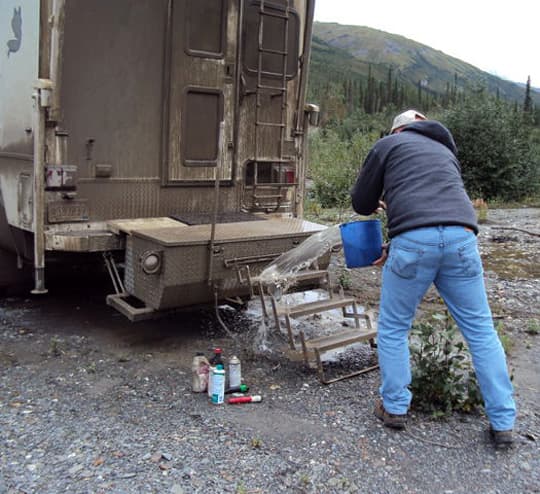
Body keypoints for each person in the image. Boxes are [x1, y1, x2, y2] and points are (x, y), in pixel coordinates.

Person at [351, 109, 516, 448]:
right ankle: (503, 422)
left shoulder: (389, 145)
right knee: (482, 331)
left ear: (398, 130)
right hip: (462, 240)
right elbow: (438, 212)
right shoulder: (445, 150)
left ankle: (395, 408)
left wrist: (387, 216)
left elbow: (360, 202)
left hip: (413, 243)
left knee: (395, 327)